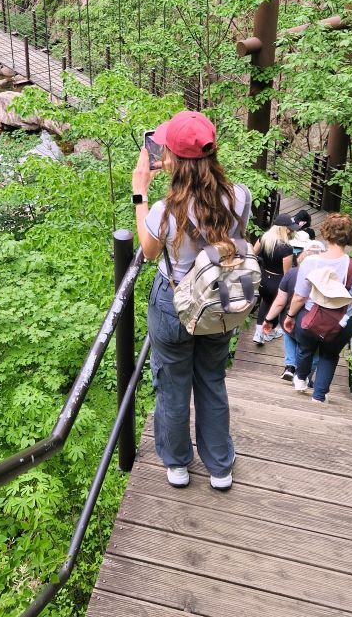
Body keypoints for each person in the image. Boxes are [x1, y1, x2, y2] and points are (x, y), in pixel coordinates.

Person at [132, 110, 252, 491]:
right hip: (218, 301)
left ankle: (178, 465)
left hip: (173, 304)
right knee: (212, 380)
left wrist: (139, 190)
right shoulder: (239, 197)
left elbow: (148, 252)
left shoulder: (164, 211)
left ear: (172, 159)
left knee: (172, 385)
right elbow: (231, 243)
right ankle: (219, 467)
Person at [283, 213, 352, 403]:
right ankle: (319, 397)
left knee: (305, 348)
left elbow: (299, 296)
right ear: (351, 237)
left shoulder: (310, 262)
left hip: (310, 316)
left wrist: (289, 316)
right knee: (329, 356)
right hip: (340, 323)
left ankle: (301, 379)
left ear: (326, 233)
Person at [252, 214, 297, 345]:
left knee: (265, 302)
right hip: (278, 282)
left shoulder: (263, 239)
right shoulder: (286, 248)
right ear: (282, 229)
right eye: (289, 229)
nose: (291, 231)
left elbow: (253, 254)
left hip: (263, 279)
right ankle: (270, 332)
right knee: (279, 306)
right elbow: (287, 274)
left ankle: (258, 333)